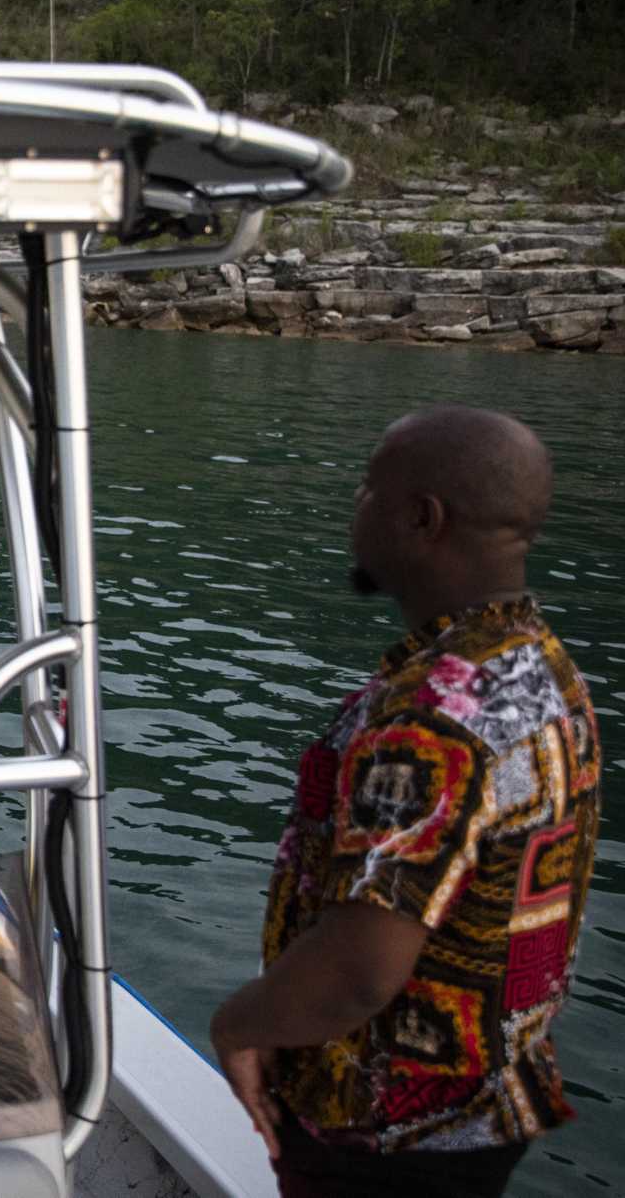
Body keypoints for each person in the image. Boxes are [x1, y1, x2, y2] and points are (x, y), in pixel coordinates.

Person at [210, 405, 601, 1198]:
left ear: (421, 518)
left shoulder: (432, 716)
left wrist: (239, 1022)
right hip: (488, 1098)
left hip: (387, 1131)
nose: (355, 507)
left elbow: (360, 971)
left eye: (367, 491)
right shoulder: (545, 672)